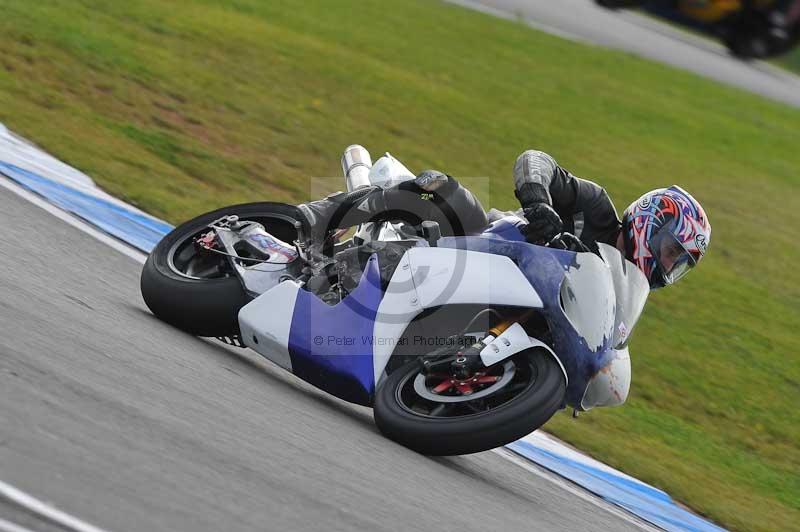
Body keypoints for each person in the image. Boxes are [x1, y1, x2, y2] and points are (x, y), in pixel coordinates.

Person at [298, 149, 711, 290]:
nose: (668, 265)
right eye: (671, 251)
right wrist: (539, 203)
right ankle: (310, 221)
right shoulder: (595, 207)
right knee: (442, 188)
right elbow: (536, 160)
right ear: (651, 223)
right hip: (485, 241)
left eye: (679, 264)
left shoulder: (619, 294)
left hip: (500, 306)